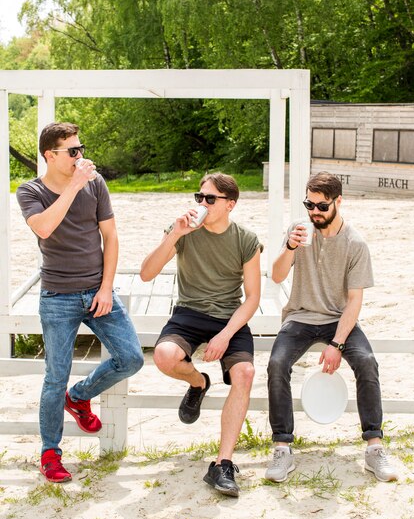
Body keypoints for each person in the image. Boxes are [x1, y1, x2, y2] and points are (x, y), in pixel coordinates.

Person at [16, 122, 143, 483]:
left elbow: (111, 236)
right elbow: (44, 228)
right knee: (54, 377)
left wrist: (106, 288)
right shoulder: (30, 191)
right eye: (72, 151)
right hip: (57, 295)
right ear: (49, 156)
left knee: (131, 357)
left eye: (81, 148)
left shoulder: (96, 183)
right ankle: (50, 454)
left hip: (97, 291)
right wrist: (73, 185)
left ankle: (80, 396)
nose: (80, 156)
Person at [266, 171, 398, 483]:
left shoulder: (355, 243)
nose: (315, 212)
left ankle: (374, 447)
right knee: (276, 364)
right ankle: (282, 448)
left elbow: (354, 301)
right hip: (299, 316)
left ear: (338, 201)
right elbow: (276, 276)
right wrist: (289, 247)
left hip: (340, 320)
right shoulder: (298, 230)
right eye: (309, 205)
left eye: (322, 206)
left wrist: (337, 343)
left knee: (367, 362)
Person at [140, 173, 261, 497]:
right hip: (189, 313)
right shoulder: (183, 229)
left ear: (230, 204)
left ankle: (223, 464)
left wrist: (224, 335)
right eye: (199, 197)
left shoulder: (245, 239)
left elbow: (252, 298)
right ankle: (199, 382)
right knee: (164, 357)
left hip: (228, 317)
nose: (202, 204)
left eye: (210, 199)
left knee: (245, 373)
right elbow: (146, 272)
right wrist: (175, 234)